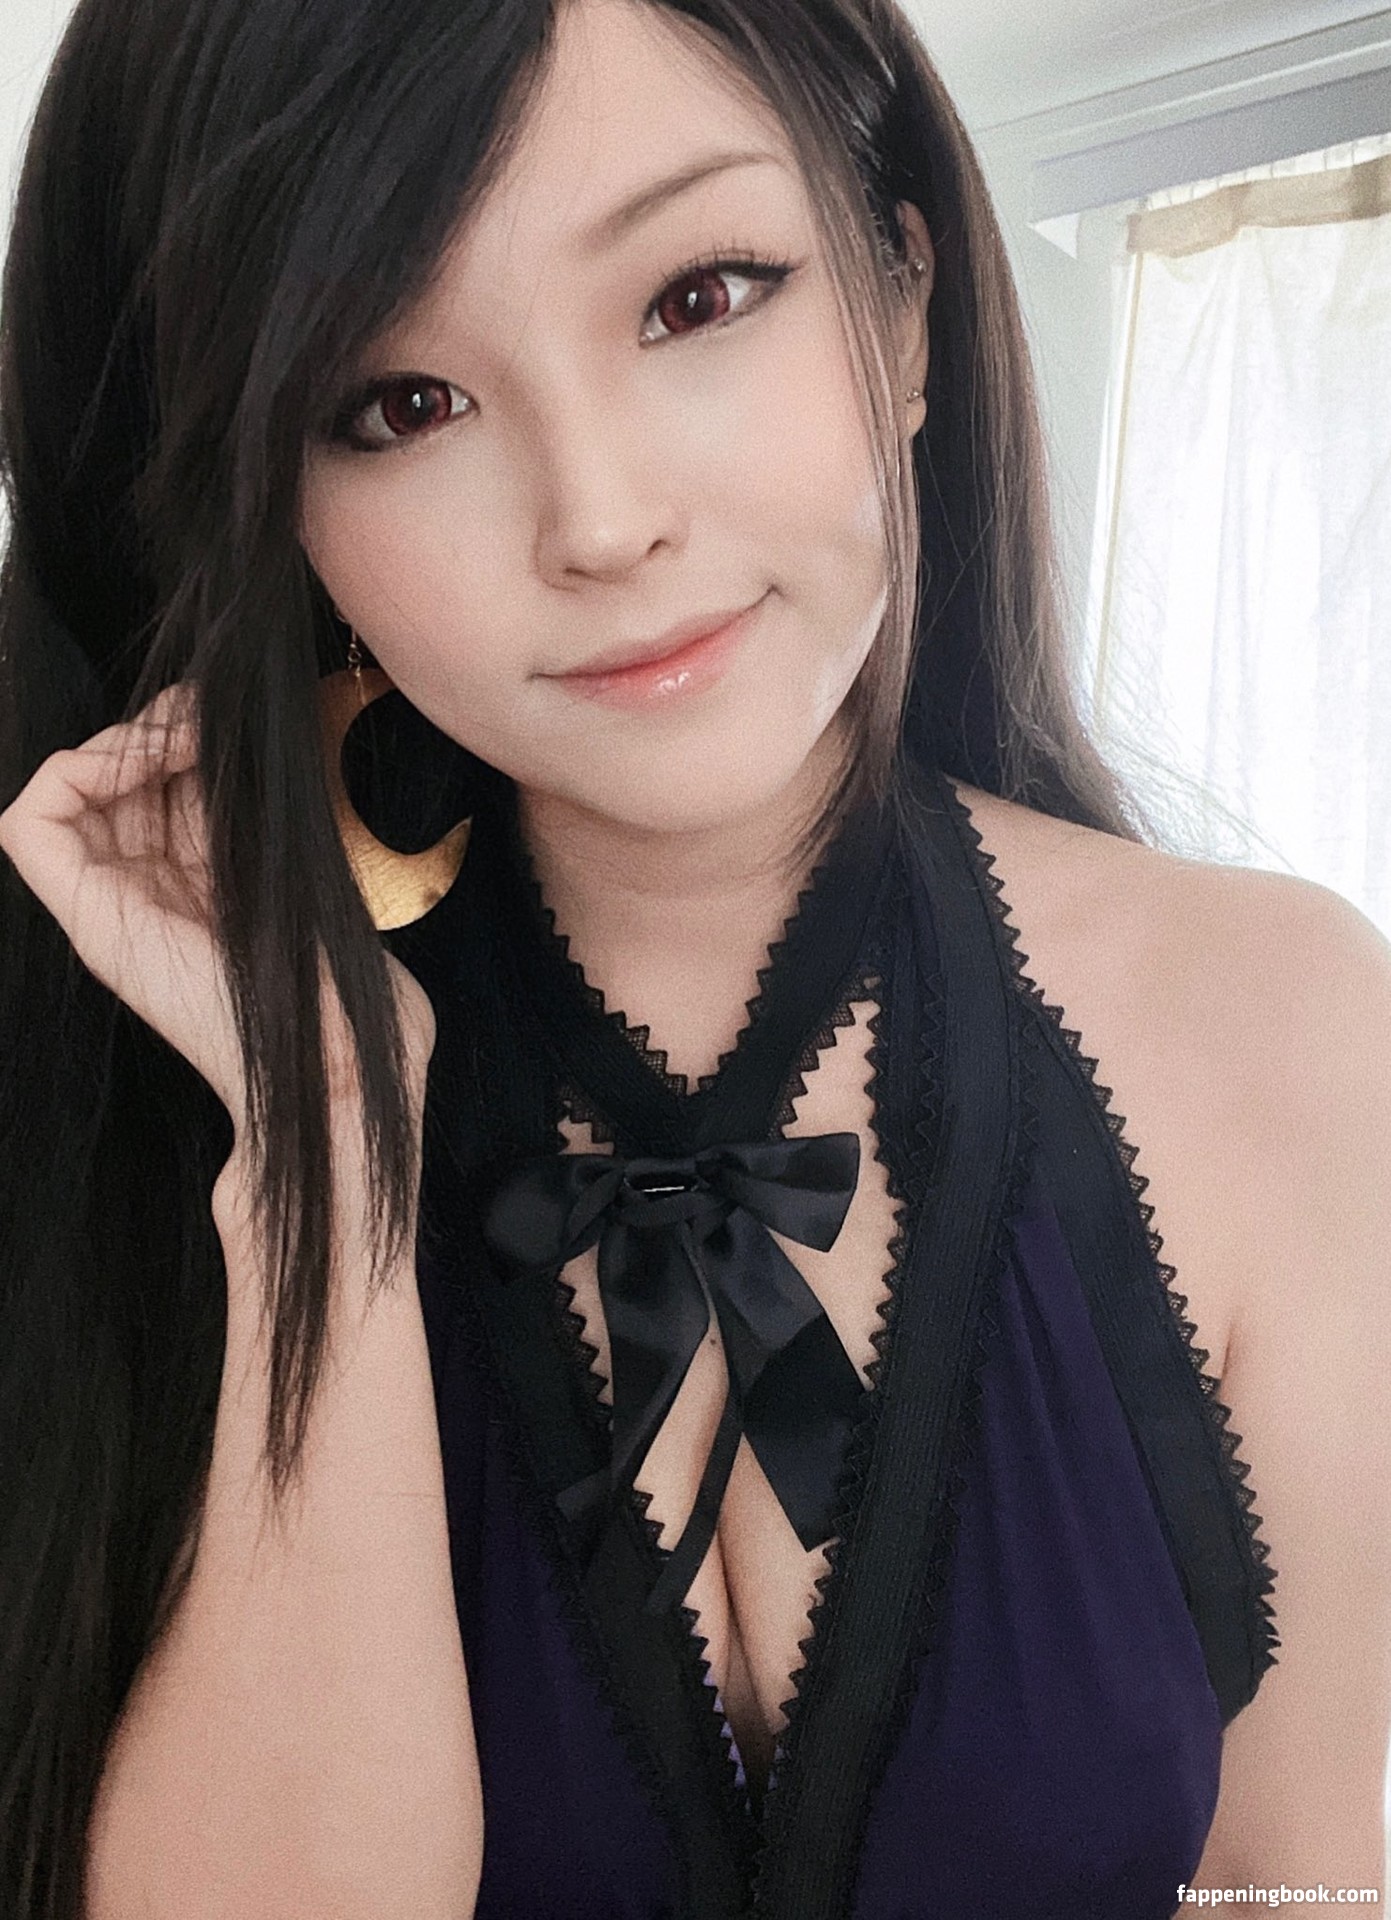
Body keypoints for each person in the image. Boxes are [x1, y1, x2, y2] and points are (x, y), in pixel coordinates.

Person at [0, 0, 1387, 1913]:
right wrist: (322, 1148)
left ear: (904, 301)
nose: (601, 520)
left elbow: (1288, 1879)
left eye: (697, 297)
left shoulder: (1290, 1023)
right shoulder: (134, 1112)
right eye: (398, 405)